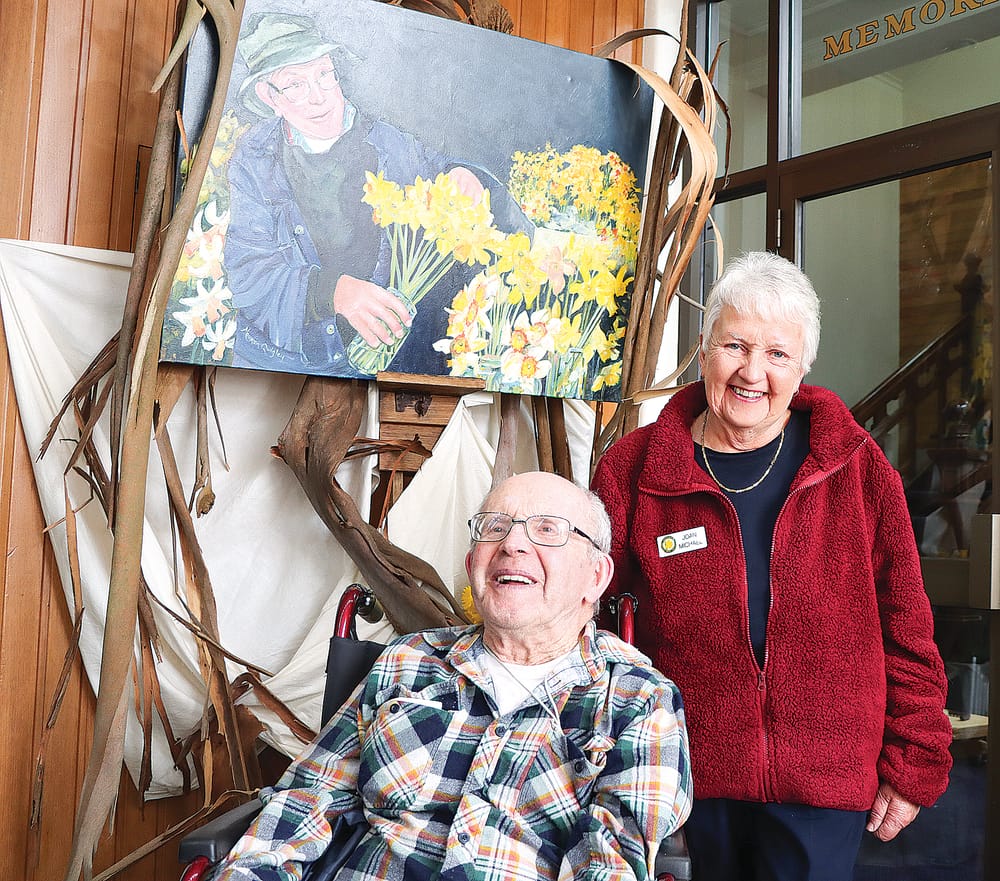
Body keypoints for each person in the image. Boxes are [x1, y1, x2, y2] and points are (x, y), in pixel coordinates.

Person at [592, 251, 953, 881]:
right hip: (684, 772)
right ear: (703, 347)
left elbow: (907, 626)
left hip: (825, 775)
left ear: (803, 366)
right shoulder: (636, 468)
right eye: (734, 345)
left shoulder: (858, 468)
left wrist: (916, 755)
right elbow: (590, 618)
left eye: (777, 354)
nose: (752, 372)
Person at [214, 471, 692, 880]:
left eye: (548, 529)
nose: (513, 543)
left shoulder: (637, 699)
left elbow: (610, 861)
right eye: (495, 527)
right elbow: (308, 801)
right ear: (472, 566)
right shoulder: (408, 661)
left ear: (596, 576)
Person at [223, 12, 506, 375]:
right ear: (269, 96)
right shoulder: (254, 157)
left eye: (324, 75)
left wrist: (464, 174)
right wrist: (333, 293)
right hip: (281, 361)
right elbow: (247, 273)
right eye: (295, 85)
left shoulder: (387, 143)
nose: (318, 97)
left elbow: (440, 169)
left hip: (375, 365)